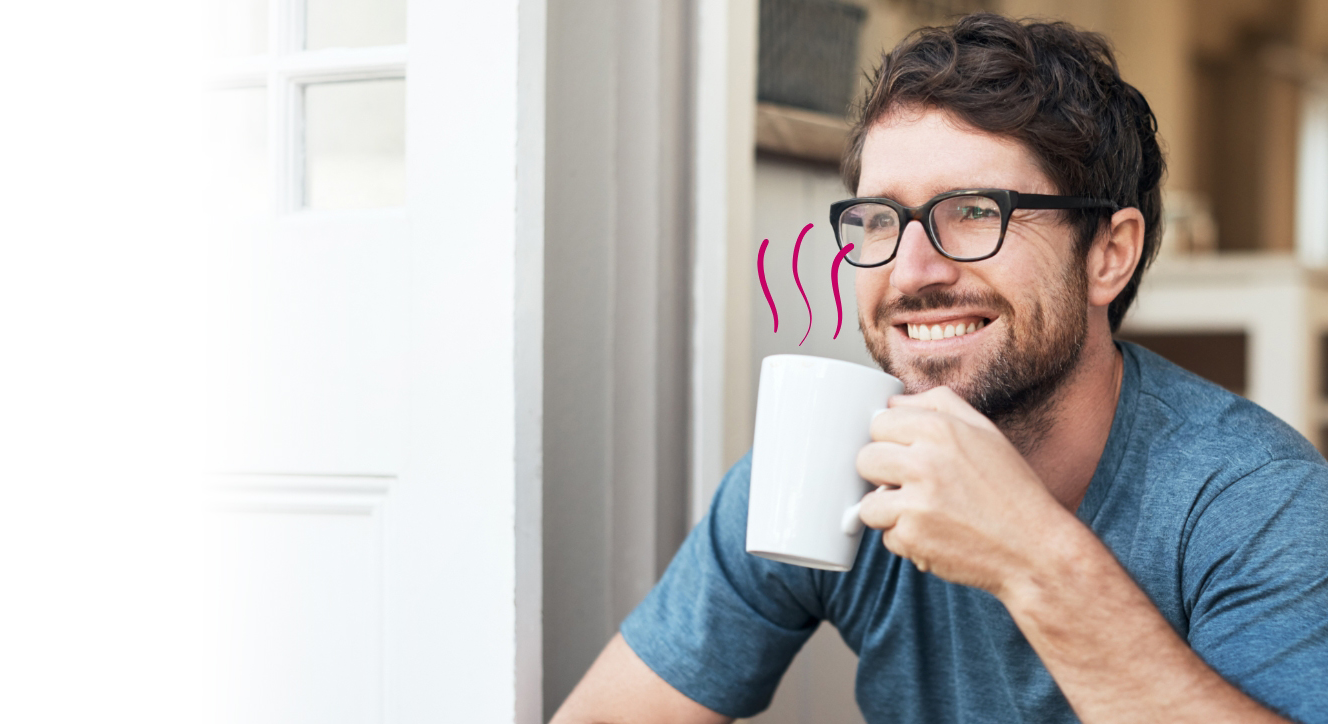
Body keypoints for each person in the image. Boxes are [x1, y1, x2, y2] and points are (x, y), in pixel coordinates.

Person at [552, 13, 1328, 724]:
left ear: (1108, 254)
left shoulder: (1254, 501)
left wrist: (1031, 558)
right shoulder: (824, 465)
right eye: (879, 220)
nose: (911, 269)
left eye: (975, 212)